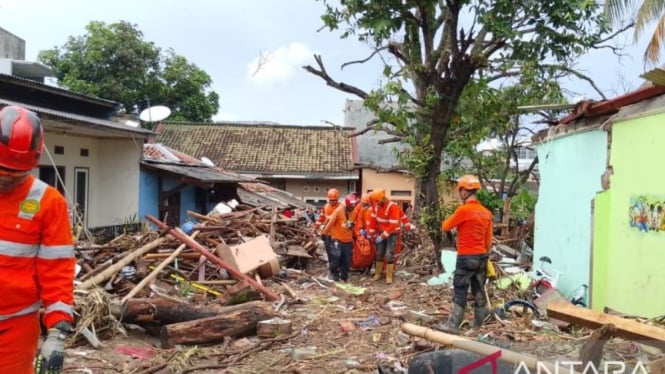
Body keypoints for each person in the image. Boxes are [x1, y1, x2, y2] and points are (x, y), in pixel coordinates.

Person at [0, 106, 76, 373]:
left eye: (14, 173)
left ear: (34, 162)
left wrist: (57, 331)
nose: (5, 179)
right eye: (1, 169)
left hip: (14, 327)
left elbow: (56, 269)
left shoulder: (48, 202)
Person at [433, 174, 493, 335]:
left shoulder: (464, 210)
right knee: (479, 290)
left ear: (464, 192)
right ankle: (477, 326)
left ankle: (453, 325)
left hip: (466, 256)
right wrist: (484, 255)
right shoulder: (486, 213)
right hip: (482, 257)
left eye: (460, 190)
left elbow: (446, 226)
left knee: (460, 289)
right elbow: (488, 240)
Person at [367, 188, 401, 285]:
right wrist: (370, 234)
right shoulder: (376, 206)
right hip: (381, 232)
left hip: (392, 233)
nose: (377, 204)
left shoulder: (392, 207)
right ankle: (378, 274)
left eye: (378, 201)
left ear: (383, 198)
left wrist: (382, 236)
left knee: (389, 254)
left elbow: (393, 225)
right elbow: (373, 221)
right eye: (376, 202)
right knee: (379, 253)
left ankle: (389, 276)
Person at [321, 193, 359, 281]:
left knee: (347, 261)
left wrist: (355, 236)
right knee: (336, 257)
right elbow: (330, 223)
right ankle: (334, 273)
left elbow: (353, 225)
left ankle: (344, 277)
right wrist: (324, 233)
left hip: (348, 241)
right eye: (351, 206)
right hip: (337, 239)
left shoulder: (354, 212)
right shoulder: (338, 211)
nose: (353, 208)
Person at [313, 188, 341, 279]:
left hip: (337, 235)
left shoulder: (341, 208)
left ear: (337, 199)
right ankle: (332, 271)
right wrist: (315, 227)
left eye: (334, 200)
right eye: (330, 200)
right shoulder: (325, 207)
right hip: (327, 234)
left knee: (336, 254)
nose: (332, 202)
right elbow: (321, 219)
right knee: (329, 253)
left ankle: (337, 271)